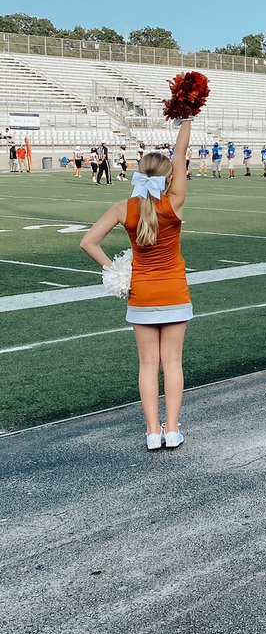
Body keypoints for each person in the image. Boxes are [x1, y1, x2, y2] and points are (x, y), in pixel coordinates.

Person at [80, 118, 196, 450]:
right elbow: (181, 152)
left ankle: (151, 433)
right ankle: (172, 430)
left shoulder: (123, 208)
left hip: (141, 294)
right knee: (172, 362)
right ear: (169, 177)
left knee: (147, 365)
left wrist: (115, 269)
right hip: (174, 291)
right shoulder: (173, 203)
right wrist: (186, 118)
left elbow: (88, 242)